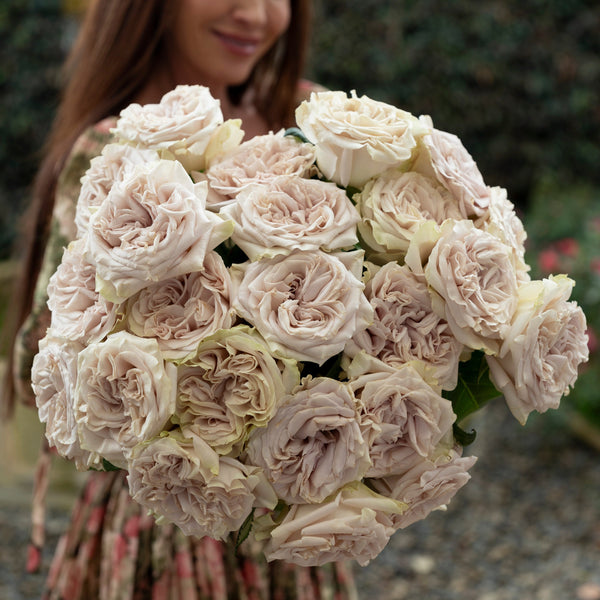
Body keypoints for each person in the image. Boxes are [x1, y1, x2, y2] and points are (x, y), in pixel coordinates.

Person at [2, 1, 358, 598]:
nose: (258, 14)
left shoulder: (317, 127)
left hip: (297, 528)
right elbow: (35, 369)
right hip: (168, 518)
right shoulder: (113, 151)